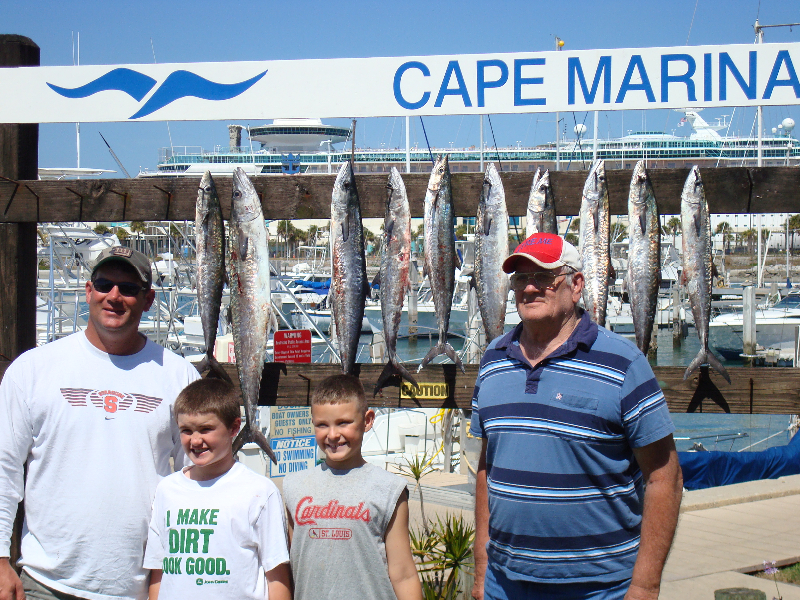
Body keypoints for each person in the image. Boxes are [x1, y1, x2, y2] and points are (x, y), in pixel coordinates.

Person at [471, 233, 683, 600]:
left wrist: (645, 585)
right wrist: (481, 564)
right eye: (521, 278)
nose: (530, 288)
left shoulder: (624, 363)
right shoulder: (493, 360)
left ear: (577, 284)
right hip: (504, 584)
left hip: (601, 589)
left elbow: (665, 477)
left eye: (543, 277)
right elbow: (488, 466)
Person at [0, 246, 201, 600]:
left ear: (148, 300)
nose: (114, 296)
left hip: (140, 587)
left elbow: (196, 480)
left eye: (129, 288)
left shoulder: (179, 375)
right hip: (44, 583)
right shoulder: (31, 369)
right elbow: (5, 470)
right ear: (89, 290)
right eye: (105, 284)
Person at [143, 378, 291, 600]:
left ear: (234, 427)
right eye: (186, 430)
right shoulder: (167, 490)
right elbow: (158, 572)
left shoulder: (260, 492)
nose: (195, 440)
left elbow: (277, 578)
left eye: (206, 429)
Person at [282, 374, 422, 600]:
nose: (333, 435)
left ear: (367, 420)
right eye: (322, 425)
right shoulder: (293, 486)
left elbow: (403, 574)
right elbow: (290, 569)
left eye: (343, 423)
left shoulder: (390, 489)